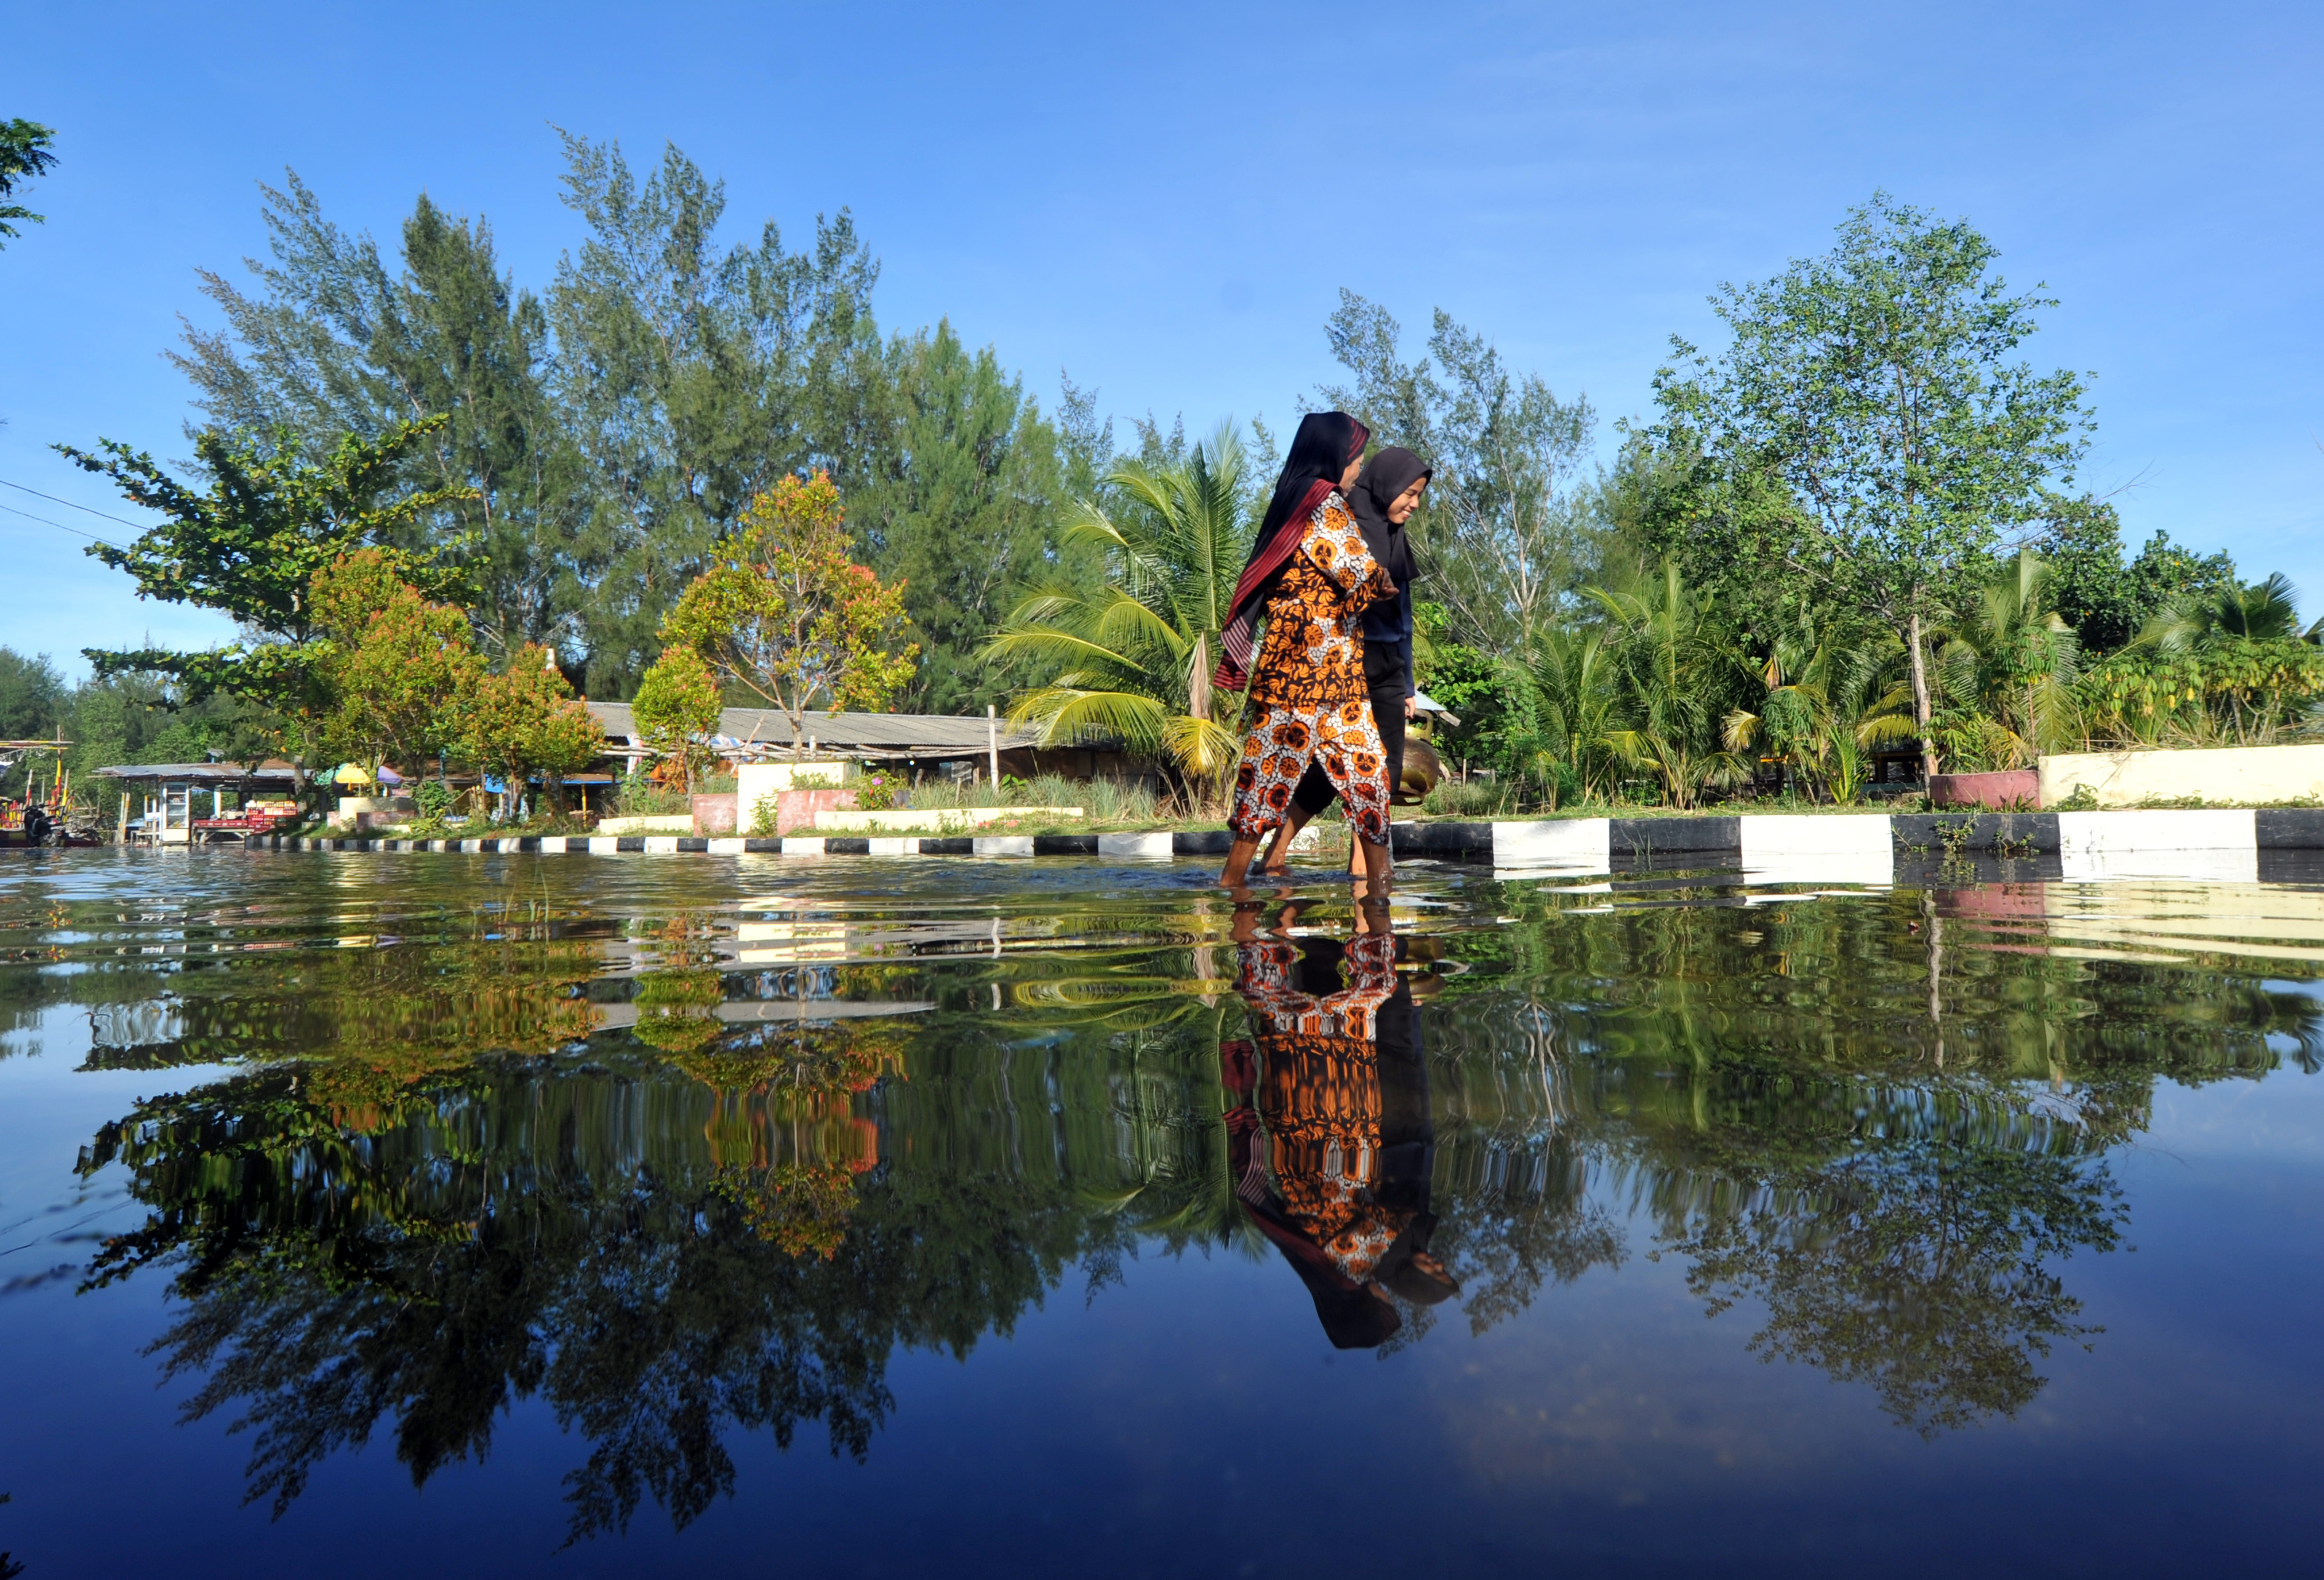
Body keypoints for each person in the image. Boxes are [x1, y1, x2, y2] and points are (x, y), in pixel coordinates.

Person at [1218, 898, 1458, 1349]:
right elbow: (1250, 1187)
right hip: (1299, 1111)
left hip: (1341, 1112)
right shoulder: (1305, 1251)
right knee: (1300, 995)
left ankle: (1360, 897)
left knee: (1368, 988)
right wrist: (1241, 1102)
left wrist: (1405, 1247)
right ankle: (1289, 905)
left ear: (1368, 1306)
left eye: (1385, 1303)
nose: (1388, 1292)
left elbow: (1395, 1218)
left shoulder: (1354, 1265)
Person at [1215, 413, 1394, 897]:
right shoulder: (1325, 507)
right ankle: (1378, 894)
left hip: (1304, 679)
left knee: (1278, 788)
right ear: (1335, 458)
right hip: (1316, 679)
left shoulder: (1292, 503)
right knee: (1367, 783)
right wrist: (1386, 579)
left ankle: (1235, 892)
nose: (1357, 469)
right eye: (1355, 459)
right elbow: (1365, 574)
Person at [1259, 447, 1431, 877]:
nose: (1413, 504)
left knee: (1383, 770)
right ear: (1388, 485)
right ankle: (1277, 853)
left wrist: (1407, 683)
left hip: (1388, 668)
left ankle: (1364, 870)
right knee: (1330, 769)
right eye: (1408, 493)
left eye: (1419, 496)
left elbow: (1403, 616)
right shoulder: (1341, 523)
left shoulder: (1395, 537)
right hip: (1343, 663)